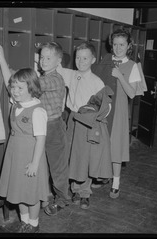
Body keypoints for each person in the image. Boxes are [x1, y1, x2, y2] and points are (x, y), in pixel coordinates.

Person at [0, 44, 50, 233]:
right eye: (13, 87)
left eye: (19, 87)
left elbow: (41, 139)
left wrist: (35, 163)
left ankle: (33, 224)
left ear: (31, 88)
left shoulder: (37, 110)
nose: (14, 91)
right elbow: (9, 79)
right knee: (19, 191)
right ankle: (24, 221)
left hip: (31, 157)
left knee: (31, 194)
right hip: (15, 154)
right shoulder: (16, 102)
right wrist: (1, 57)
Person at [92, 28, 147, 198]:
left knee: (115, 147)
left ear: (128, 45)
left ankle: (116, 181)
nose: (118, 48)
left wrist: (120, 76)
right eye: (115, 44)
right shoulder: (106, 60)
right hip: (104, 109)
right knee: (102, 144)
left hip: (119, 112)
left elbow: (132, 93)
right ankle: (104, 176)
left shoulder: (133, 66)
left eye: (122, 44)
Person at [57, 41, 112, 209]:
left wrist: (95, 118)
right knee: (71, 154)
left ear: (93, 60)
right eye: (78, 58)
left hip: (87, 122)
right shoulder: (71, 74)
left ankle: (84, 193)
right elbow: (55, 68)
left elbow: (106, 107)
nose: (81, 61)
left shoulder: (97, 82)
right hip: (72, 119)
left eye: (85, 58)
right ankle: (74, 189)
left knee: (85, 156)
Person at [38, 42, 71, 216]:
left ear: (58, 60)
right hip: (41, 126)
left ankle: (63, 199)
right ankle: (45, 195)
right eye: (42, 57)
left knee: (57, 168)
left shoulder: (54, 78)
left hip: (53, 127)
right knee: (42, 164)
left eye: (48, 58)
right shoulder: (43, 76)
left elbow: (34, 84)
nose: (43, 61)